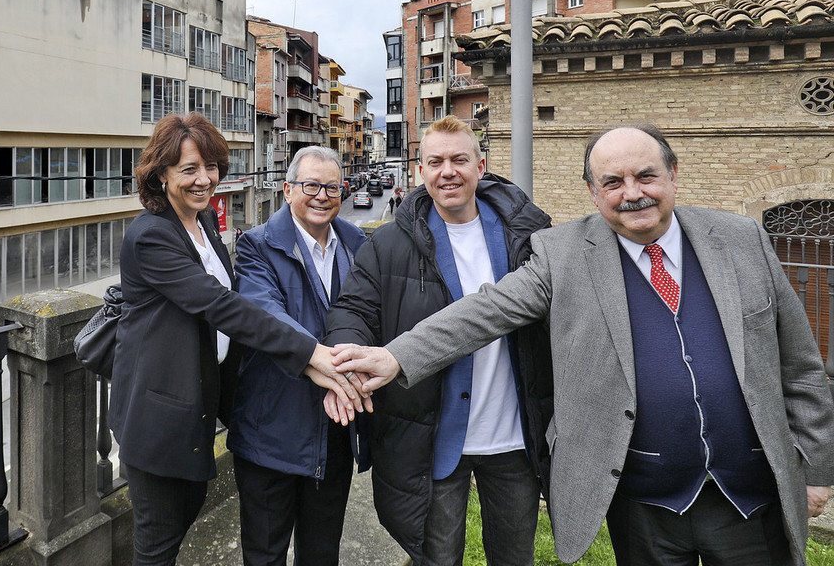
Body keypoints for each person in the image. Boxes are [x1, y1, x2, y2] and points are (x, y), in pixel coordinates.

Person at [333, 124, 834, 566]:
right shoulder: (563, 253)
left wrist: (815, 469)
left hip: (749, 496)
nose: (632, 194)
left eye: (646, 176)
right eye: (612, 183)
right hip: (643, 503)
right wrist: (396, 356)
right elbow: (483, 312)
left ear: (673, 175)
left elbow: (802, 367)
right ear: (593, 193)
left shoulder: (742, 238)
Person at [108, 113, 366, 566]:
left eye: (210, 167)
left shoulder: (203, 225)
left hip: (195, 411)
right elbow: (223, 306)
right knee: (157, 544)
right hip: (157, 418)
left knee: (181, 521)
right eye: (189, 169)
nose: (204, 179)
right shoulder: (150, 235)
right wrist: (310, 354)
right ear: (161, 173)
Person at [323, 116, 553, 565]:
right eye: (436, 161)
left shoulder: (525, 237)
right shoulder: (389, 244)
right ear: (420, 171)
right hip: (432, 437)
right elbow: (352, 310)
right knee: (436, 558)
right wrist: (349, 361)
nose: (448, 171)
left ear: (480, 166)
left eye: (459, 159)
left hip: (511, 435)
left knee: (514, 557)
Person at [228, 146, 368, 565]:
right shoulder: (256, 246)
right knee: (264, 554)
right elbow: (263, 312)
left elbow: (369, 314)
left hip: (335, 435)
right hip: (270, 433)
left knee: (322, 552)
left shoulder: (357, 243)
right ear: (288, 190)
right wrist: (323, 362)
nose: (322, 195)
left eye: (331, 187)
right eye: (310, 185)